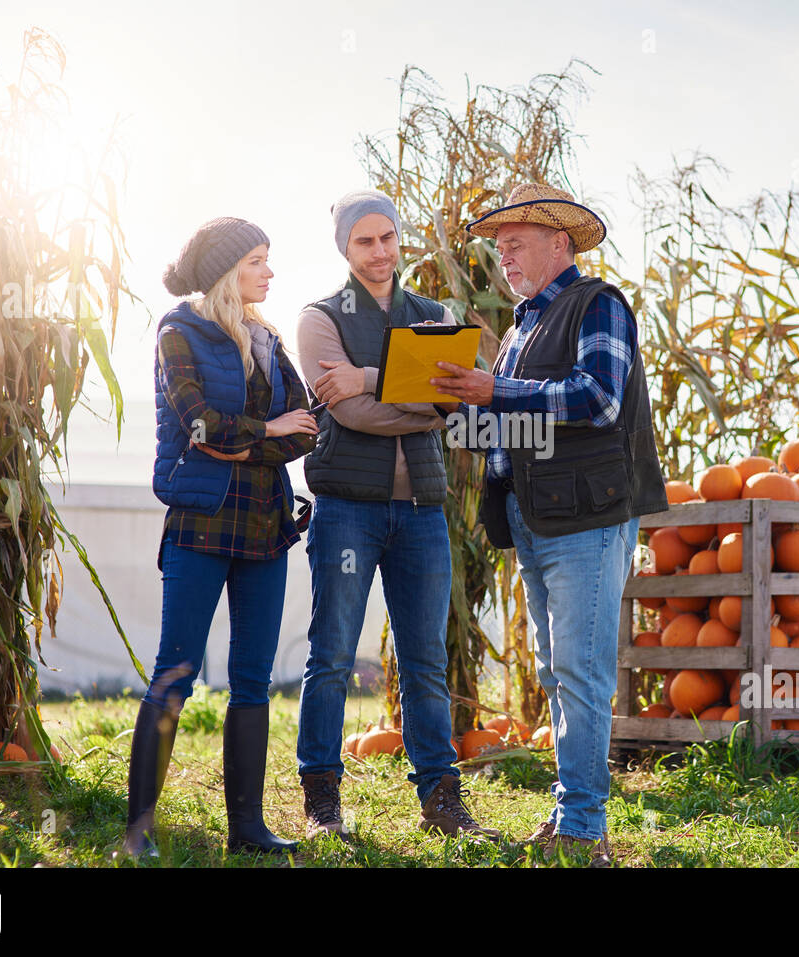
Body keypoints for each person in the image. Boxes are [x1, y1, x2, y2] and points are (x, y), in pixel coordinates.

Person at [431, 184, 668, 864]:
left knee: (582, 670)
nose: (503, 255)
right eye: (498, 246)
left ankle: (586, 829)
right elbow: (515, 433)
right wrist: (443, 409)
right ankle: (573, 811)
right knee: (559, 668)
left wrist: (493, 390)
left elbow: (595, 398)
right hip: (535, 520)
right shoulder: (518, 331)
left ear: (558, 243)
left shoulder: (597, 306)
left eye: (516, 243)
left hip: (588, 520)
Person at [293, 189, 498, 841]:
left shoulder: (436, 315)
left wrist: (370, 378)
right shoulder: (320, 319)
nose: (380, 251)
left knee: (424, 660)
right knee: (331, 654)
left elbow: (458, 402)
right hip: (348, 510)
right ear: (345, 248)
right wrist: (417, 397)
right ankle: (323, 800)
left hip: (421, 512)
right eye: (365, 241)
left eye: (388, 237)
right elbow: (350, 414)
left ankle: (441, 799)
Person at [123, 217, 319, 858]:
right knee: (175, 672)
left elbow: (307, 427)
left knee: (253, 679)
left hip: (265, 523)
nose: (269, 273)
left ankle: (248, 829)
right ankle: (138, 831)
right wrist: (264, 432)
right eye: (258, 261)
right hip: (200, 523)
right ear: (225, 271)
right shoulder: (178, 333)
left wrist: (258, 437)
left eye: (268, 259)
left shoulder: (268, 338)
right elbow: (202, 427)